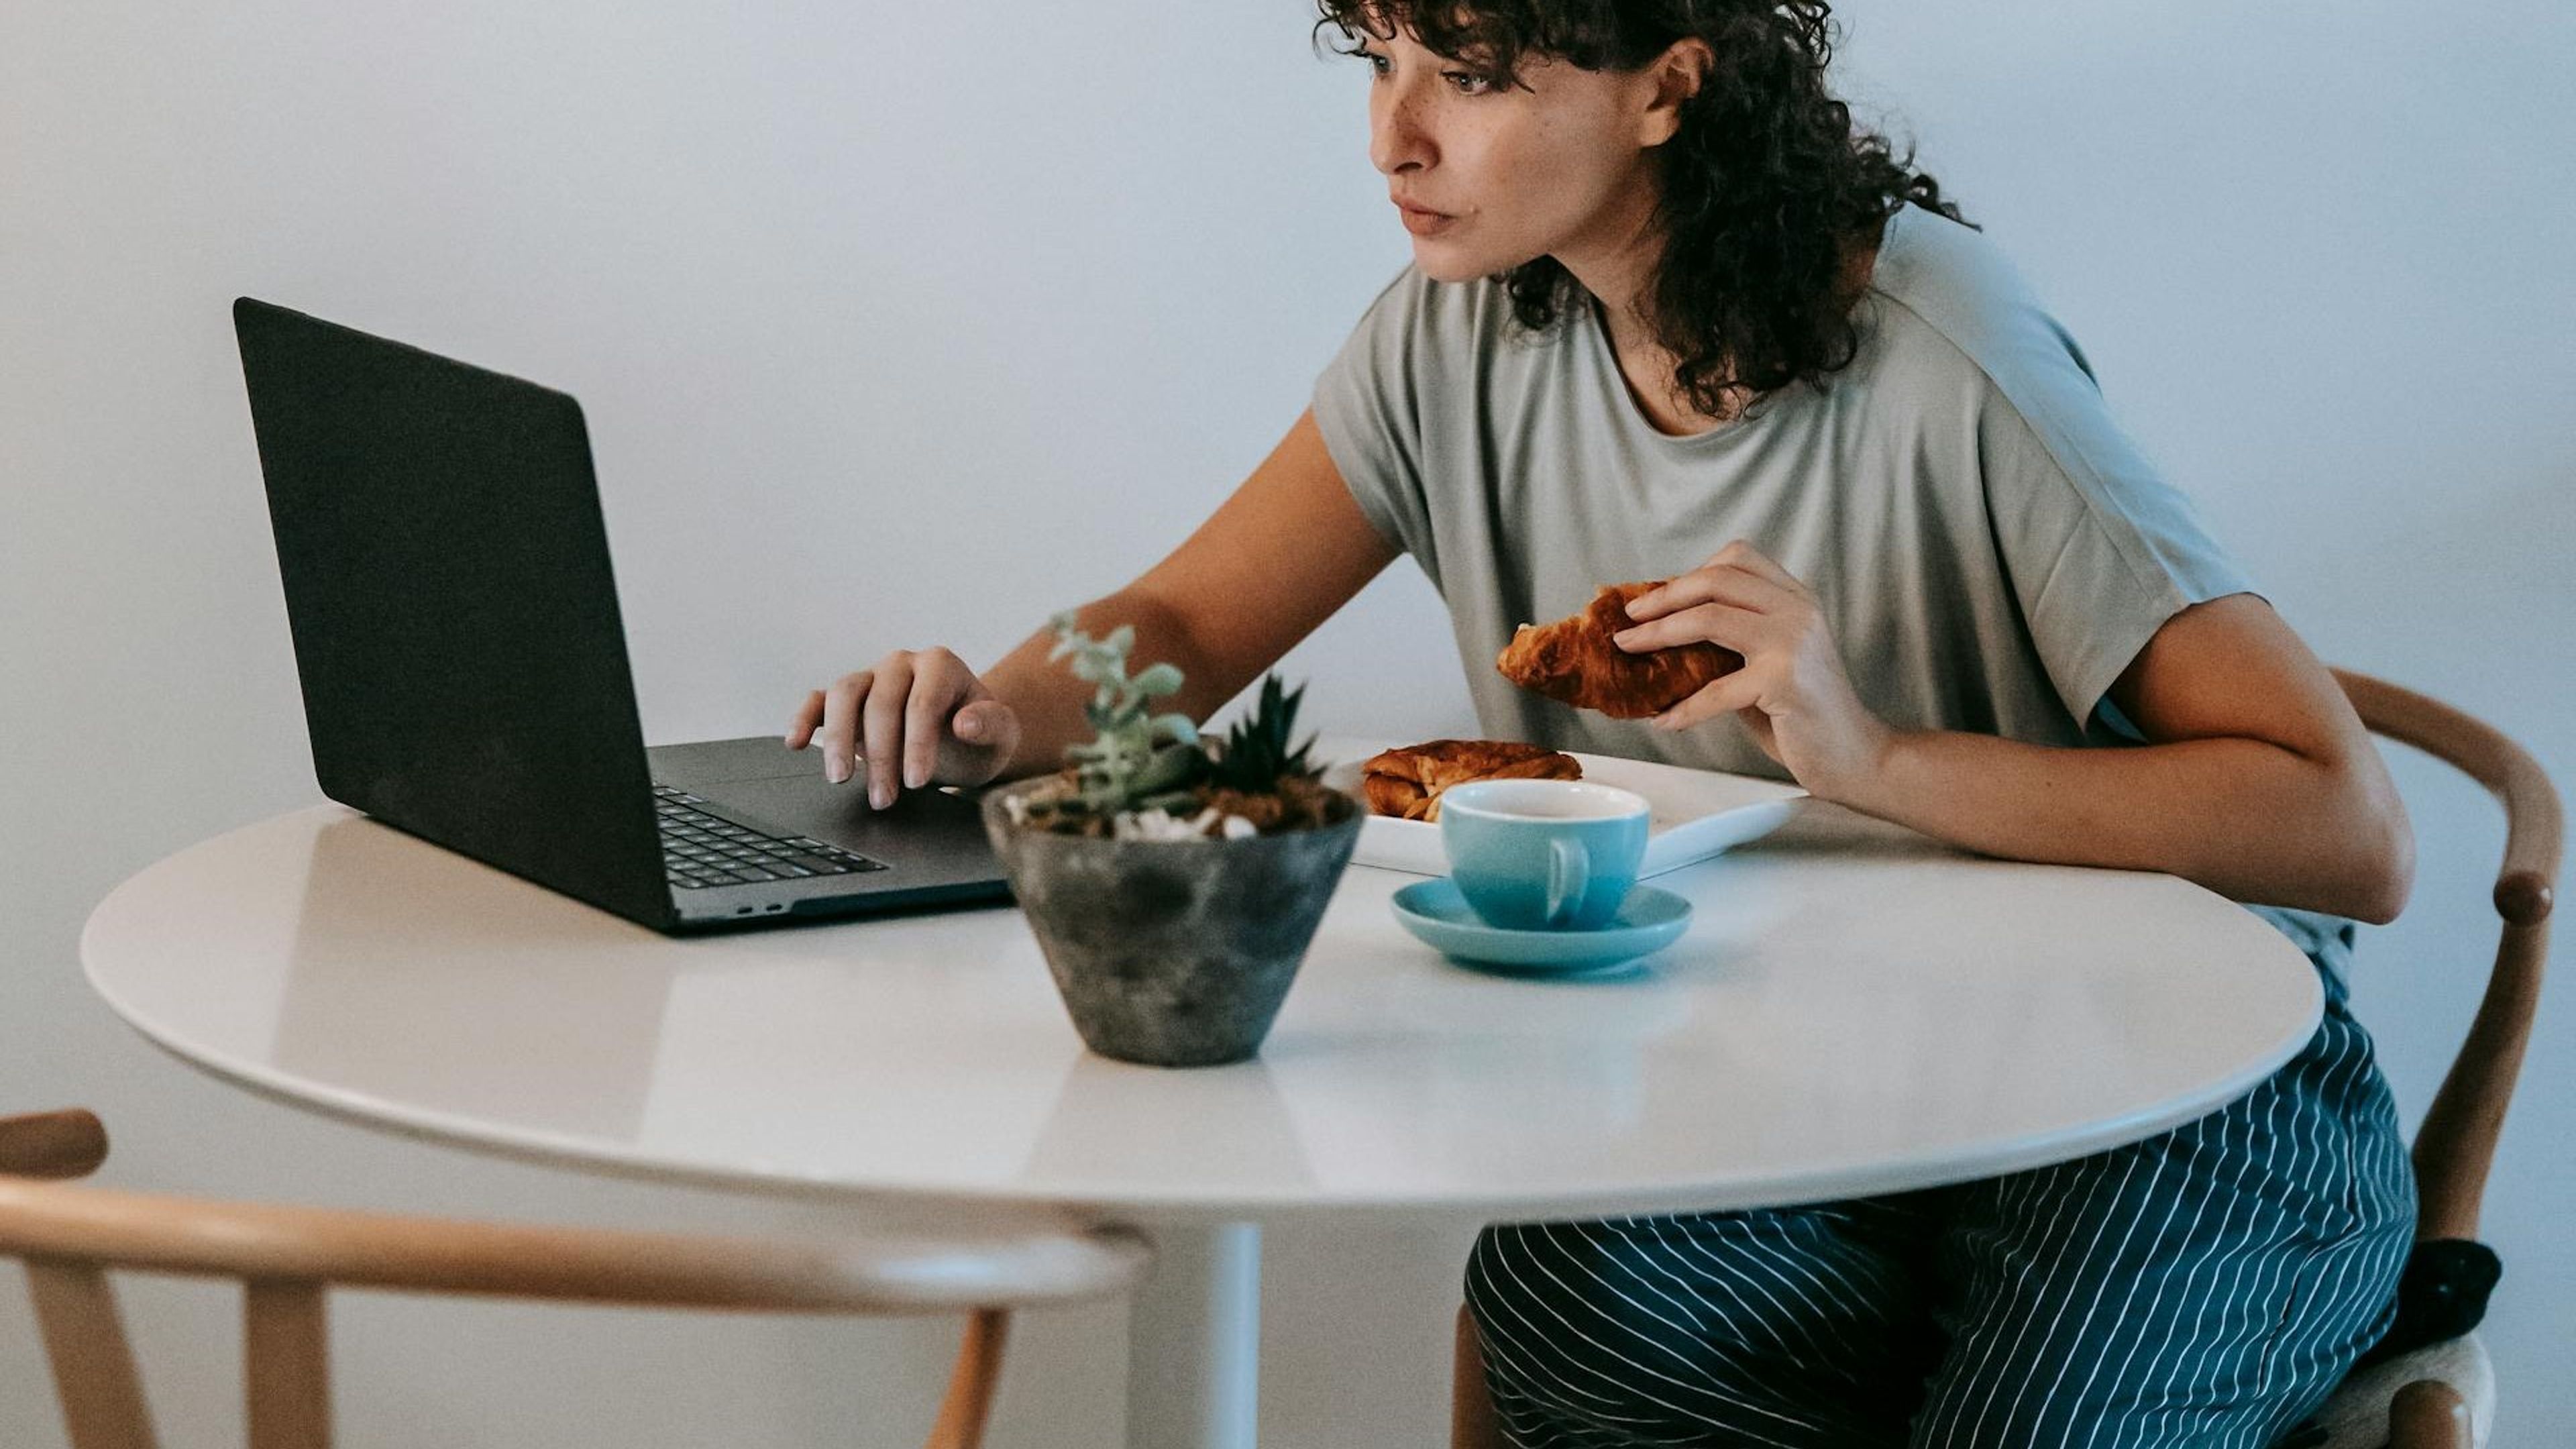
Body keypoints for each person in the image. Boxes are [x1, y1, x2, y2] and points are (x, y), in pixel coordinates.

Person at [786, 2, 2416, 1443]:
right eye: (1379, 52)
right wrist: (998, 717)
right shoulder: (1455, 325)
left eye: (1470, 71)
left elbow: (2345, 827)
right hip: (1818, 1104)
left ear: (1667, 86)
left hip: (2174, 1108)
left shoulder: (1942, 353)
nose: (1393, 136)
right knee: (1572, 1298)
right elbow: (1195, 624)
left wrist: (1880, 761)